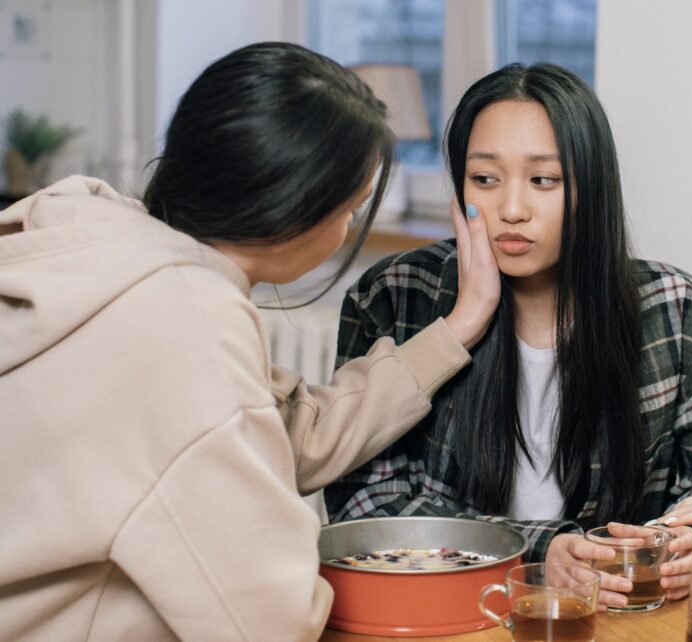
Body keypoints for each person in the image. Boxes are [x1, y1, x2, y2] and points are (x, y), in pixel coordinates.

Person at [0, 42, 499, 641]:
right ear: (292, 214)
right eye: (351, 209)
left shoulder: (107, 249)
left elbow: (288, 432)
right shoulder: (183, 324)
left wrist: (459, 325)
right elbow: (272, 617)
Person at [324, 62, 692, 608]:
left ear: (592, 188)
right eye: (484, 179)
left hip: (619, 618)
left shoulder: (676, 308)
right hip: (453, 615)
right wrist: (543, 551)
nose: (511, 210)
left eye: (544, 180)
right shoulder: (394, 296)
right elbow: (365, 504)